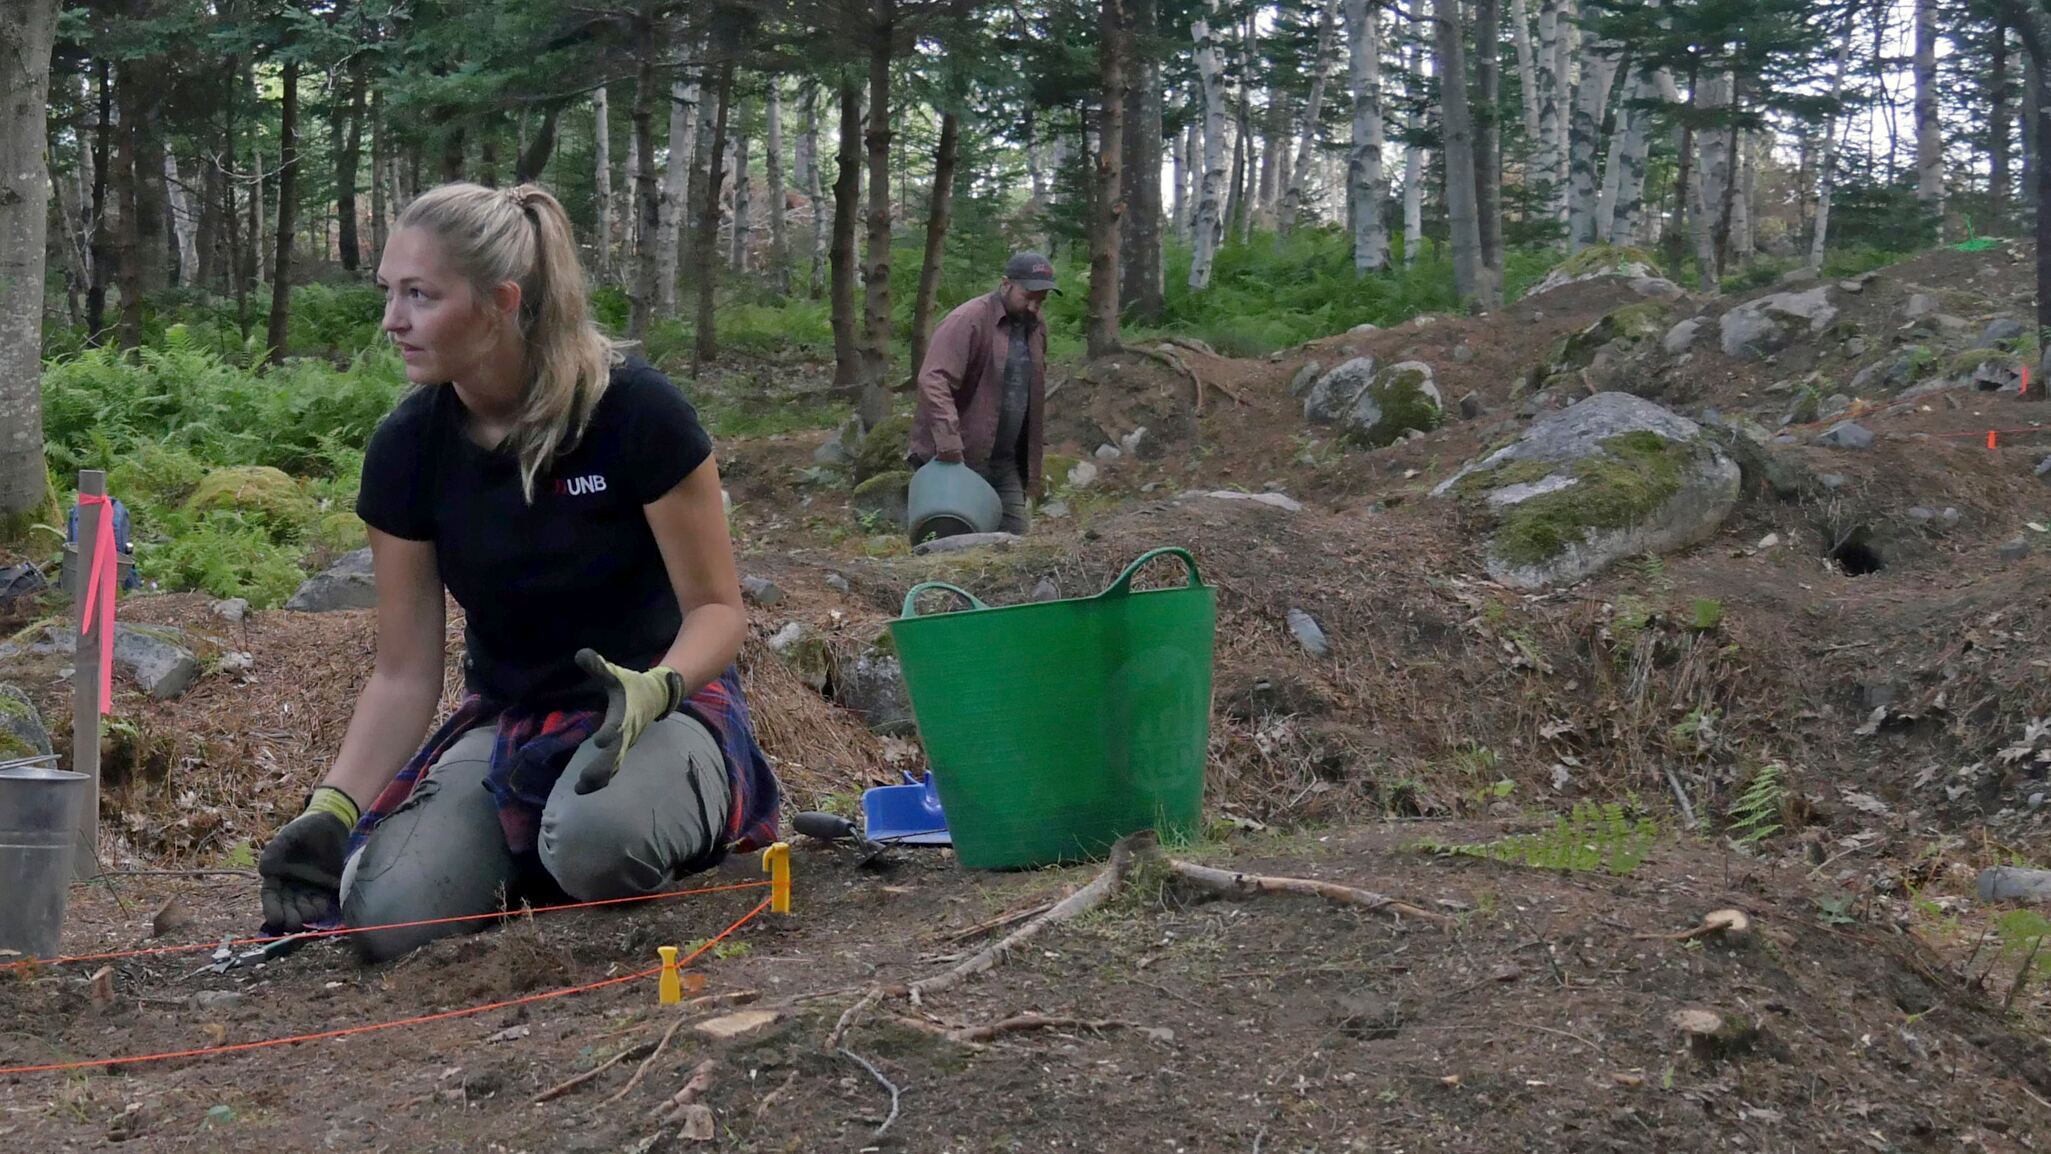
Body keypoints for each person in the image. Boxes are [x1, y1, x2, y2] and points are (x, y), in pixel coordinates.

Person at [255, 182, 780, 962]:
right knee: (387, 921)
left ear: (501, 301)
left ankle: (654, 811)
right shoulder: (407, 450)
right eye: (388, 294)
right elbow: (403, 675)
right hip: (513, 719)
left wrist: (655, 688)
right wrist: (332, 808)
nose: (392, 321)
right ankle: (524, 838)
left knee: (599, 844)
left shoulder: (636, 414)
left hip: (665, 705)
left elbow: (718, 611)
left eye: (420, 296)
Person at [906, 252, 1056, 535]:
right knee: (951, 545)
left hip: (1007, 460)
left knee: (1014, 545)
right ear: (1005, 284)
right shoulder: (968, 320)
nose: (1035, 307)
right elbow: (933, 378)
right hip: (958, 460)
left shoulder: (1035, 328)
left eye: (1042, 299)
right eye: (1028, 297)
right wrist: (949, 441)